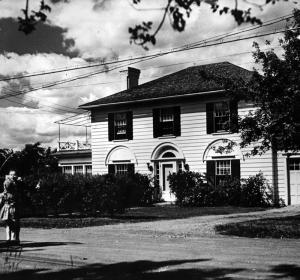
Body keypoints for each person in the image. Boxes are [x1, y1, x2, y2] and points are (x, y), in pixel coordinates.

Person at [0, 170, 22, 245]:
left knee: (16, 223)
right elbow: (7, 186)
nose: (13, 176)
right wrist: (9, 179)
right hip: (7, 206)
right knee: (8, 223)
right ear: (9, 175)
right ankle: (8, 239)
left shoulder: (17, 183)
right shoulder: (8, 182)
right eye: (11, 174)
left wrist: (18, 181)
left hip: (15, 206)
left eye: (14, 175)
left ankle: (15, 239)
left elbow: (21, 188)